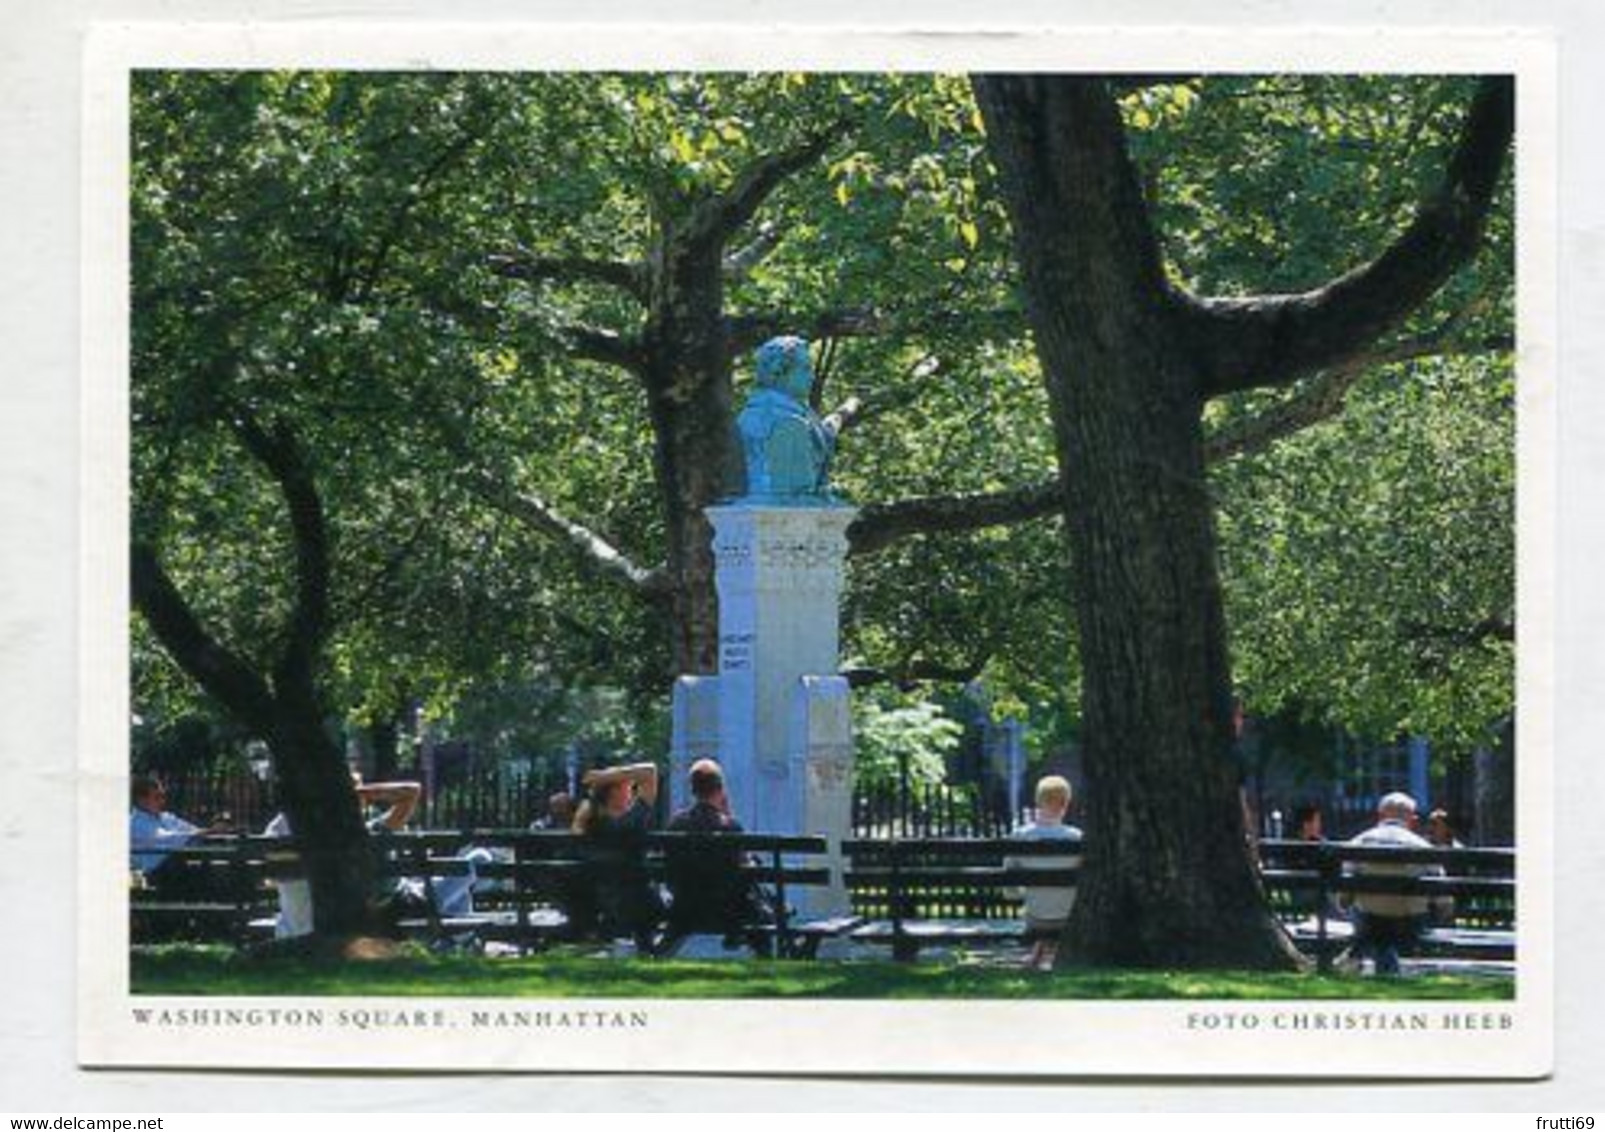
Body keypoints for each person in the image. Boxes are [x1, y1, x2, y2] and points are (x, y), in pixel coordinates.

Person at [263, 772, 421, 939]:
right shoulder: (368, 833)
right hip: (362, 923)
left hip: (292, 929)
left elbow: (270, 871)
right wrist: (359, 793)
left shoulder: (282, 826)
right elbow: (412, 791)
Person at [661, 758, 774, 957]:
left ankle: (659, 953)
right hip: (728, 912)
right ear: (720, 789)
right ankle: (764, 956)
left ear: (693, 790)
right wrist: (727, 815)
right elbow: (743, 867)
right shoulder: (730, 827)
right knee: (758, 903)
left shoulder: (675, 825)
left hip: (684, 908)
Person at [1341, 791, 1450, 975]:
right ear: (1412, 821)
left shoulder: (1358, 842)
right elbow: (1443, 899)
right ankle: (1386, 961)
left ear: (1380, 816)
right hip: (1410, 924)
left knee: (1365, 918)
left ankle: (1363, 957)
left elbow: (1343, 895)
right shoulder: (1423, 847)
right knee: (1387, 929)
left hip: (1369, 921)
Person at [573, 761, 664, 954]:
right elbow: (650, 771)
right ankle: (648, 949)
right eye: (628, 787)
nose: (631, 791)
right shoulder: (633, 821)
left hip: (601, 901)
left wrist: (603, 778)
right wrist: (604, 776)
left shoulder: (589, 822)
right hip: (640, 902)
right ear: (614, 791)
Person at [1005, 775, 1084, 971]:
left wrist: (1019, 894)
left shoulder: (1020, 836)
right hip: (1068, 916)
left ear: (1038, 801)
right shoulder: (1077, 837)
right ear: (1066, 803)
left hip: (1035, 917)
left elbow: (1009, 884)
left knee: (1038, 902)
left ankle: (1037, 954)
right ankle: (1047, 954)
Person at [129, 774, 228, 894]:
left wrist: (213, 831)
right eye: (157, 797)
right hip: (155, 875)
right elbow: (166, 839)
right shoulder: (134, 823)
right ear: (141, 800)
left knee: (217, 862)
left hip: (176, 868)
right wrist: (204, 832)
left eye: (163, 796)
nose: (162, 801)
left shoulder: (167, 817)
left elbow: (191, 830)